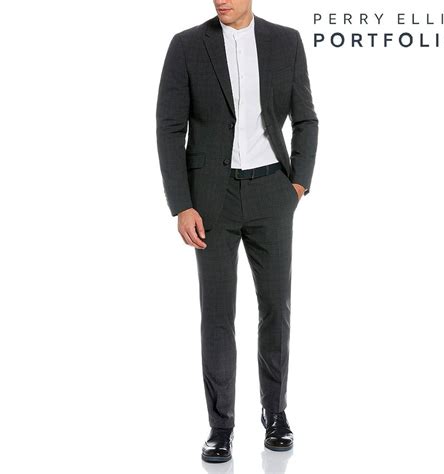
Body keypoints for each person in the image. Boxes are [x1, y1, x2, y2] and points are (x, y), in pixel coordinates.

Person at [156, 0, 319, 463]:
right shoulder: (187, 45)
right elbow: (169, 128)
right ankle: (221, 425)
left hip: (272, 192)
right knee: (217, 314)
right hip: (212, 198)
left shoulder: (285, 42)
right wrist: (181, 204)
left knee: (276, 308)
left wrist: (297, 184)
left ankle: (275, 413)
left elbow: (306, 118)